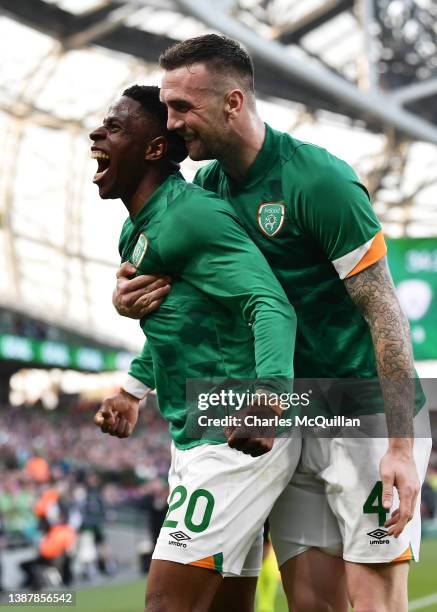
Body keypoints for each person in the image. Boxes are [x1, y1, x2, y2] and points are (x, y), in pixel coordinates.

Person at [113, 35, 432, 612]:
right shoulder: (205, 193)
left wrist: (403, 449)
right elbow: (189, 305)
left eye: (184, 107)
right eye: (167, 108)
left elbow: (384, 312)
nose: (172, 122)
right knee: (312, 604)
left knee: (375, 600)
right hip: (290, 414)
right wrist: (128, 299)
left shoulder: (319, 181)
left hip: (363, 409)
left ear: (233, 102)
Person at [91, 85, 301, 611]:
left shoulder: (190, 214)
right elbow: (180, 321)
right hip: (195, 437)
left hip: (234, 431)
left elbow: (270, 304)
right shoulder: (135, 231)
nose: (97, 133)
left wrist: (270, 398)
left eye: (115, 128)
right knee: (225, 606)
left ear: (154, 149)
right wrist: (132, 390)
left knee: (166, 604)